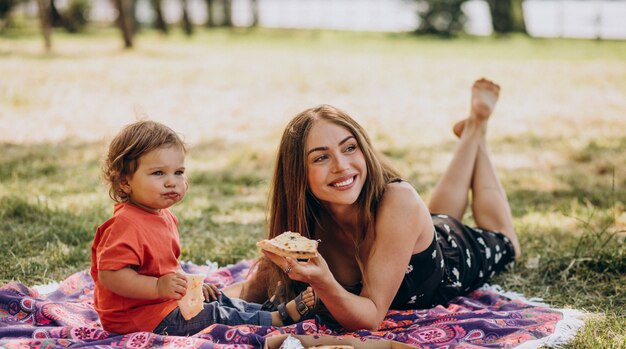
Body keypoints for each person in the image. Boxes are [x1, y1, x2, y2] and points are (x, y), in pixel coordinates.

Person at [242, 78, 521, 331]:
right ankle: (473, 131)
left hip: (451, 261)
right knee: (438, 215)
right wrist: (212, 295)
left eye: (349, 148)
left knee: (507, 241)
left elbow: (370, 318)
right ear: (297, 175)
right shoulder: (303, 225)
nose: (342, 166)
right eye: (321, 158)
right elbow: (249, 291)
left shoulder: (399, 201)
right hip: (413, 231)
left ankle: (476, 128)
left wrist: (323, 282)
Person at [91, 120, 312, 335]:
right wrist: (158, 287)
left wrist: (187, 284)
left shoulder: (163, 216)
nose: (172, 181)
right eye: (158, 173)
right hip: (138, 318)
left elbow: (162, 267)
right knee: (213, 314)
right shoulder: (125, 224)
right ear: (125, 182)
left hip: (162, 304)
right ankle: (276, 319)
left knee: (215, 299)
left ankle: (266, 311)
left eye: (178, 172)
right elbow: (111, 276)